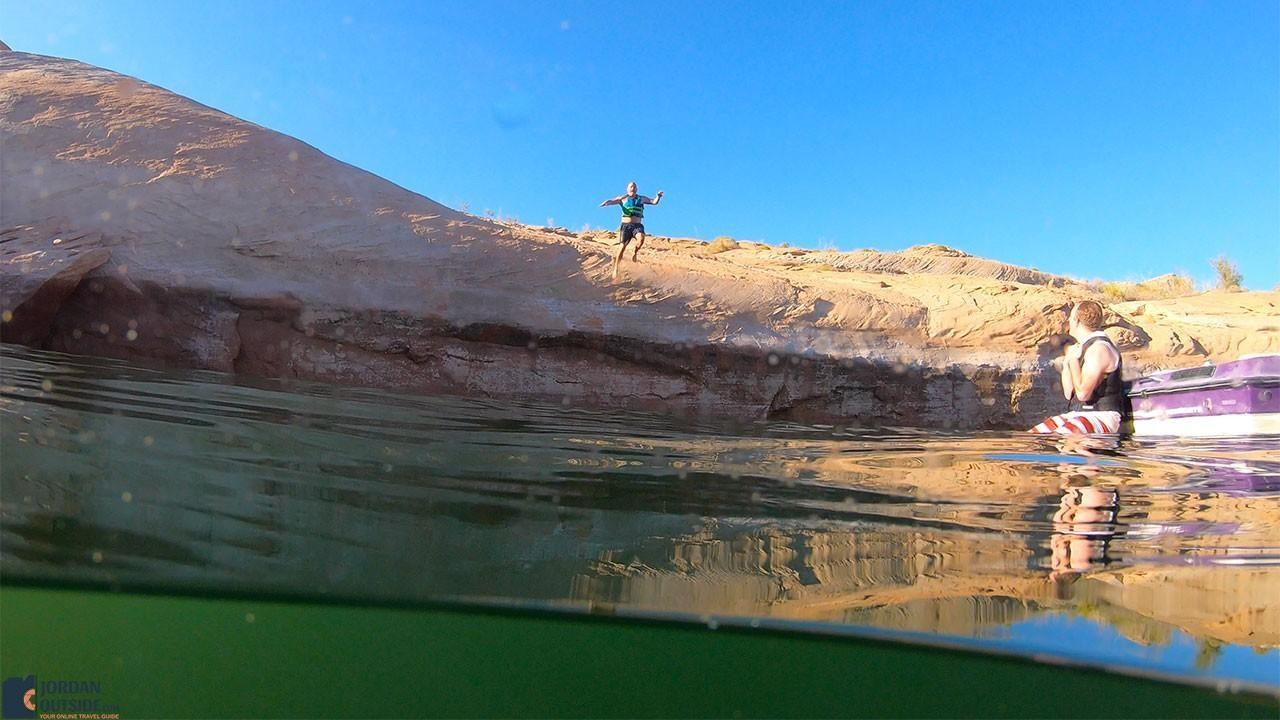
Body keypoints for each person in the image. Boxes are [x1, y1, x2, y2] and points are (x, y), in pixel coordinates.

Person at [1031, 300, 1126, 434]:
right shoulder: (1082, 348)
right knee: (1036, 436)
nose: (1068, 321)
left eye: (1070, 317)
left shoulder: (1099, 349)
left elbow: (1082, 394)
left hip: (1101, 416)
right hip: (1078, 413)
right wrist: (1068, 361)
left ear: (1076, 320)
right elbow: (1069, 393)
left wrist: (1075, 361)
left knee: (1065, 437)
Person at [598, 182, 663, 279]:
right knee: (622, 247)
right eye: (631, 186)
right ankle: (616, 268)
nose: (633, 188)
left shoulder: (641, 198)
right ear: (627, 189)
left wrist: (658, 196)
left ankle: (635, 252)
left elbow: (654, 202)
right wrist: (606, 203)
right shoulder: (623, 198)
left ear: (637, 189)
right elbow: (612, 201)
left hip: (637, 225)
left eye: (635, 186)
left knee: (641, 239)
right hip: (626, 226)